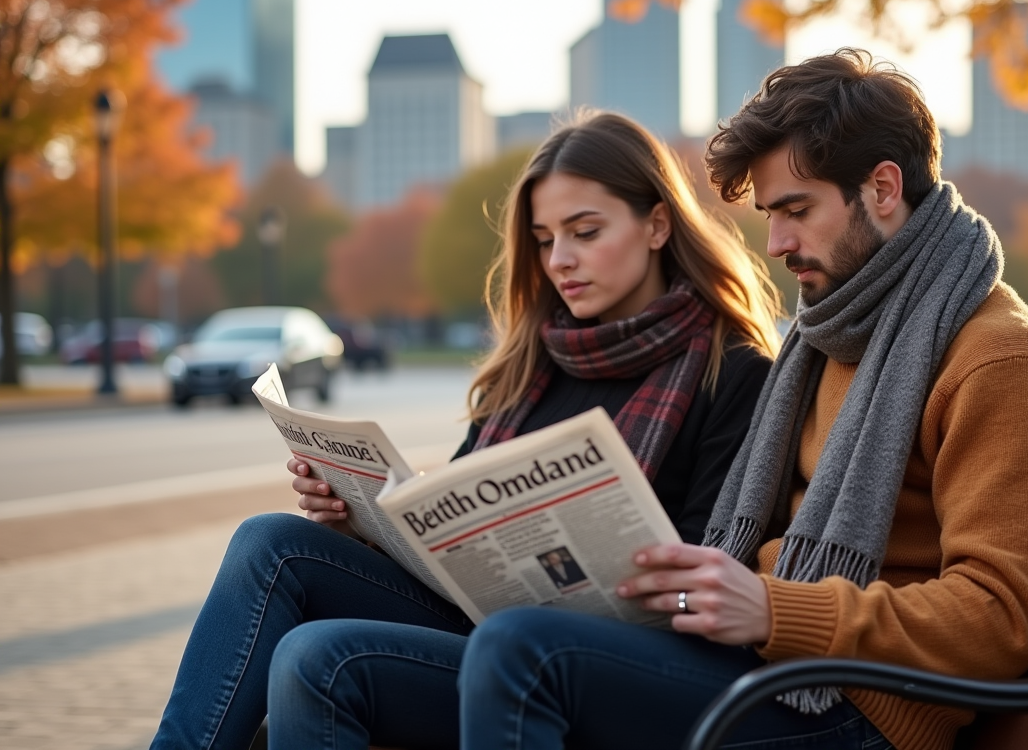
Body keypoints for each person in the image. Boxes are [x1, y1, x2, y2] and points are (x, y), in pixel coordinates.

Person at [450, 49, 1028, 750]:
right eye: (769, 215)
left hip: (860, 708)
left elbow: (999, 620)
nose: (777, 242)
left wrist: (776, 609)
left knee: (525, 651)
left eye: (796, 210)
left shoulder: (999, 359)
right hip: (768, 670)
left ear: (881, 188)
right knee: (339, 649)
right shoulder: (837, 332)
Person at [148, 111, 784, 750]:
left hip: (598, 656)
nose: (560, 260)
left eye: (585, 232)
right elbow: (449, 515)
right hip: (474, 620)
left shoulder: (731, 371)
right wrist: (359, 521)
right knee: (272, 542)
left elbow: (716, 558)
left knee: (317, 656)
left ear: (656, 225)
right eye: (543, 239)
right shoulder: (530, 362)